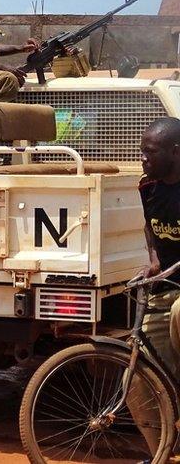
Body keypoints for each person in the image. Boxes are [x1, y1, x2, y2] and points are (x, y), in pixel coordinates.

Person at [130, 118, 180, 454]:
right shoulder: (148, 187)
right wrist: (153, 260)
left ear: (175, 152)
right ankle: (162, 453)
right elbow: (150, 227)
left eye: (150, 152)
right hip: (165, 288)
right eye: (142, 151)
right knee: (134, 378)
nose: (143, 158)